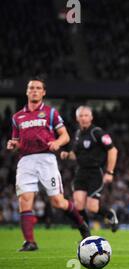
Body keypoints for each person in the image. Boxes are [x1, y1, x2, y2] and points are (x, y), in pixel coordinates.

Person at [7, 78, 90, 252]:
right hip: (25, 160)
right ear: (27, 92)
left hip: (46, 159)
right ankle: (30, 242)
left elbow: (65, 136)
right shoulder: (17, 117)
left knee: (58, 202)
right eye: (31, 88)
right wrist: (13, 145)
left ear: (43, 92)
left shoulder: (50, 113)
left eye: (38, 88)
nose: (34, 91)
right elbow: (16, 143)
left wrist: (58, 143)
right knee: (25, 200)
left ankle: (82, 225)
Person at [60, 106, 119, 232]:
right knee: (78, 204)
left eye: (86, 115)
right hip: (81, 171)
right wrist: (67, 154)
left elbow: (113, 150)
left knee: (92, 207)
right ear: (77, 118)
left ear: (91, 117)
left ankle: (110, 215)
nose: (83, 118)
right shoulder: (77, 134)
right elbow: (76, 154)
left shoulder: (97, 132)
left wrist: (110, 172)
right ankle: (86, 236)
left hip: (95, 172)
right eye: (81, 116)